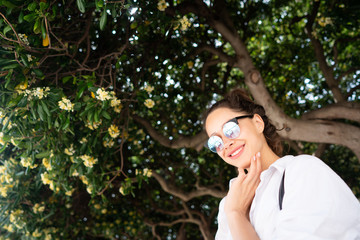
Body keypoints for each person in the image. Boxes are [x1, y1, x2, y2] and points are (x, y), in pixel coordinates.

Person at [203, 88, 360, 240]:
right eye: (215, 142)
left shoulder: (302, 171)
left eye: (230, 129)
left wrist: (236, 214)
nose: (226, 143)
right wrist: (231, 211)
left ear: (257, 123)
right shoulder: (226, 205)